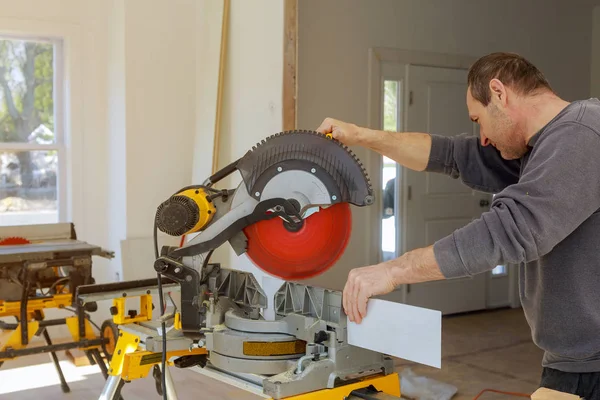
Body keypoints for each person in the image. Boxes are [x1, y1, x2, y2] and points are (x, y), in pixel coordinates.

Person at [316, 52, 600, 398]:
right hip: (573, 360)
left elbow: (512, 230)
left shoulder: (582, 135)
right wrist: (360, 136)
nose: (481, 136)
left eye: (478, 119)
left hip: (592, 365)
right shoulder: (540, 147)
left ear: (499, 92)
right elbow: (450, 154)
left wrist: (393, 270)